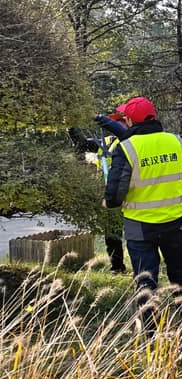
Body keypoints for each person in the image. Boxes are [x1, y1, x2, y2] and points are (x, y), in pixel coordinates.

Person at [102, 96, 182, 329]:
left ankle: (150, 333)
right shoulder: (178, 143)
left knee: (145, 279)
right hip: (176, 220)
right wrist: (173, 194)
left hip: (140, 226)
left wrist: (108, 202)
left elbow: (116, 195)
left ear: (128, 120)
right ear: (154, 117)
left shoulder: (126, 149)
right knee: (179, 271)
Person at [67, 111, 130, 273]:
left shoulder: (130, 140)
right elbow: (82, 144)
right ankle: (117, 267)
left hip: (129, 193)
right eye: (117, 122)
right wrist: (71, 126)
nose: (119, 125)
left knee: (135, 233)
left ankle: (145, 265)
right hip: (110, 193)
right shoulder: (106, 142)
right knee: (112, 234)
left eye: (122, 122)